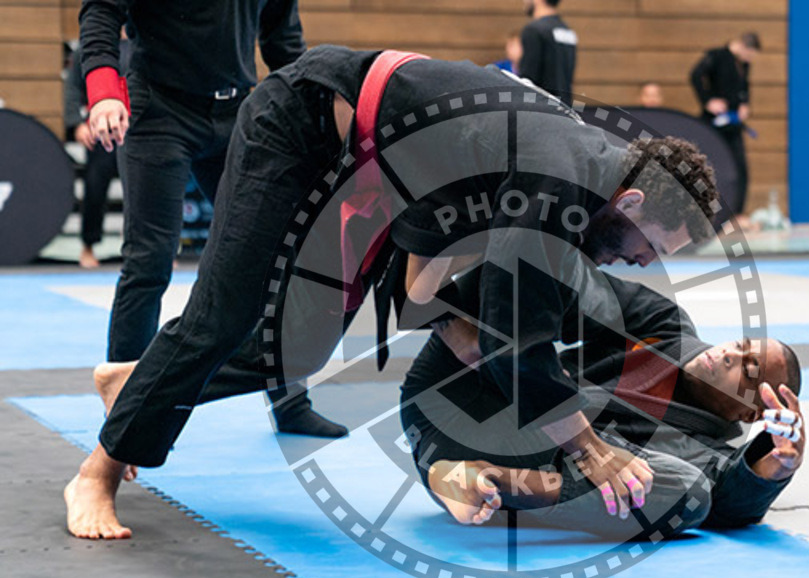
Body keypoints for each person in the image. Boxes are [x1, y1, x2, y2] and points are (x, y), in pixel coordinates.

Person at [65, 45, 720, 540]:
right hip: (305, 126)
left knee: (298, 353)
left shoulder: (590, 177)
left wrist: (451, 325)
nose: (638, 262)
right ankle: (96, 471)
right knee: (227, 312)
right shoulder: (561, 179)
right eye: (650, 245)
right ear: (630, 199)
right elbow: (519, 343)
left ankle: (135, 383)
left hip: (383, 180)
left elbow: (430, 285)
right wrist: (592, 449)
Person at [78, 0, 344, 437]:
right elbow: (101, 10)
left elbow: (283, 43)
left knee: (276, 257)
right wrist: (104, 89)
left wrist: (314, 119)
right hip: (159, 108)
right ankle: (125, 418)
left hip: (239, 111)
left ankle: (290, 402)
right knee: (148, 262)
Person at [402, 272, 804, 537]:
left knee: (691, 494)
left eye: (749, 371)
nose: (731, 355)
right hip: (460, 389)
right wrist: (479, 339)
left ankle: (480, 479)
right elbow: (573, 287)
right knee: (522, 267)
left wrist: (771, 472)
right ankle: (428, 291)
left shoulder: (710, 453)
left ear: (749, 414)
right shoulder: (663, 325)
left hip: (502, 465)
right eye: (740, 344)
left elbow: (729, 504)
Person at [63, 32, 130, 268]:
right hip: (103, 130)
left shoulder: (145, 41)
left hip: (140, 130)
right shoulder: (95, 43)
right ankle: (88, 246)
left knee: (148, 192)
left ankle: (157, 251)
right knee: (95, 187)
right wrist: (76, 125)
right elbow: (72, 87)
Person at [690, 32, 760, 217]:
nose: (749, 59)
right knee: (707, 166)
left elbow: (744, 86)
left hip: (733, 124)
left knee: (739, 168)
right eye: (750, 54)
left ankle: (737, 213)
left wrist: (745, 104)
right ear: (743, 46)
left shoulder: (744, 63)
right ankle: (704, 210)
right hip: (713, 123)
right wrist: (707, 101)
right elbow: (695, 76)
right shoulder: (716, 56)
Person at [518, 0, 577, 103]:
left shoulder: (534, 30)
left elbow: (528, 80)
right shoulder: (568, 31)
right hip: (565, 109)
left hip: (541, 110)